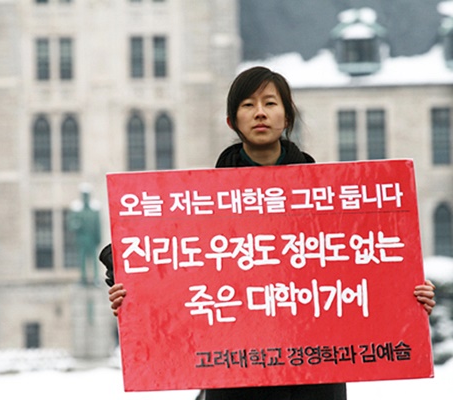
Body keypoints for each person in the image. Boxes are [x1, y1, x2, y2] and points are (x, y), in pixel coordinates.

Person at [99, 66, 437, 400]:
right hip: (237, 376)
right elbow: (148, 252)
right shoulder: (199, 200)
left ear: (288, 116)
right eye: (248, 104)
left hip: (315, 376)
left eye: (270, 103)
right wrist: (129, 294)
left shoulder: (330, 198)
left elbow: (369, 261)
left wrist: (410, 293)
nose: (260, 113)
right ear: (232, 121)